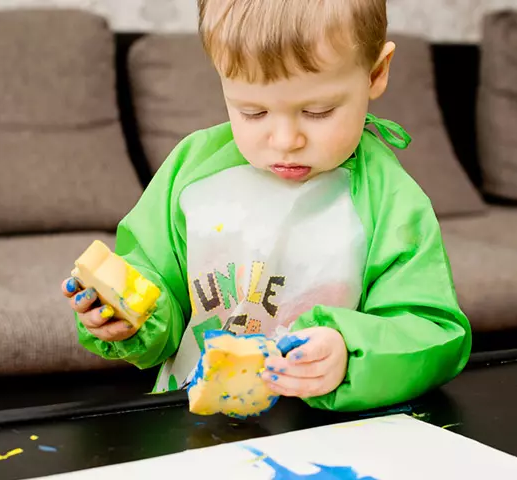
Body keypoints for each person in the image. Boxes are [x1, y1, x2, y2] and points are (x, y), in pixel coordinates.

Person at [62, 0, 472, 411]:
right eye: (253, 112)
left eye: (317, 111)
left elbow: (432, 332)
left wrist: (351, 353)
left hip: (321, 434)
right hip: (188, 416)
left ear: (376, 73)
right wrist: (131, 317)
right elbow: (155, 284)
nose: (284, 140)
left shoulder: (391, 201)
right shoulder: (192, 170)